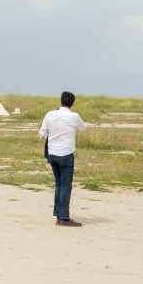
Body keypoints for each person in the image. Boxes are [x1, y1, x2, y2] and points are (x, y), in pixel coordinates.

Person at [40, 91, 88, 227]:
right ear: (72, 103)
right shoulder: (74, 116)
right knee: (65, 186)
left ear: (60, 101)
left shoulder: (50, 114)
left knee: (58, 184)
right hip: (66, 154)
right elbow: (83, 128)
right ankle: (64, 218)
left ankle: (58, 214)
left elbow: (42, 134)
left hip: (52, 154)